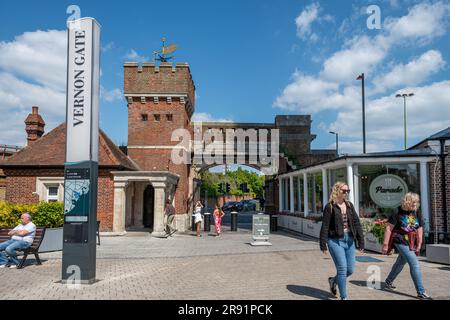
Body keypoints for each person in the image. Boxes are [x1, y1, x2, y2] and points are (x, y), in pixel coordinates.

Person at [319, 182, 365, 300]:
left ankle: (333, 281)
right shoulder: (329, 206)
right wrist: (323, 244)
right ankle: (344, 297)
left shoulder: (349, 205)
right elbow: (325, 225)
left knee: (350, 270)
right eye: (344, 191)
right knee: (342, 269)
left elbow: (356, 223)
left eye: (347, 191)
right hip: (335, 241)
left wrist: (361, 241)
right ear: (337, 191)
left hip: (349, 240)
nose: (346, 193)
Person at [382, 192, 431, 299]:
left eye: (417, 202)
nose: (416, 204)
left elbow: (420, 228)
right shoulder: (397, 211)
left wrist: (420, 243)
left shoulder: (416, 212)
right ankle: (421, 291)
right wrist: (385, 245)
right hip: (400, 240)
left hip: (412, 241)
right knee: (415, 264)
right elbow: (389, 228)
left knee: (400, 262)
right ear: (407, 201)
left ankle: (388, 281)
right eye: (414, 202)